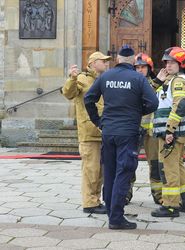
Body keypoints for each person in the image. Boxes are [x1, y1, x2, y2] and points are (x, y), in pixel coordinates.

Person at [84, 45, 158, 230]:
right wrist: (137, 112)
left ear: (117, 59)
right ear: (133, 61)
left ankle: (111, 212)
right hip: (128, 133)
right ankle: (116, 218)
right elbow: (153, 103)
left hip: (108, 131)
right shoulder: (138, 79)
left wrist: (98, 121)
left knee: (109, 172)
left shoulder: (105, 77)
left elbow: (88, 99)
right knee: (124, 172)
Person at [62, 51, 111, 214]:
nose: (106, 63)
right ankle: (89, 202)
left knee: (100, 171)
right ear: (93, 63)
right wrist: (72, 78)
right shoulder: (82, 79)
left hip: (104, 131)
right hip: (89, 133)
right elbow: (68, 93)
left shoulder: (104, 79)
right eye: (103, 61)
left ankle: (95, 200)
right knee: (91, 170)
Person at [150, 47, 185, 217]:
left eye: (172, 62)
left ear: (181, 64)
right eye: (166, 62)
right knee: (178, 166)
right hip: (173, 132)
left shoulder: (178, 81)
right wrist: (157, 80)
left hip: (171, 133)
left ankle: (170, 206)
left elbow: (180, 104)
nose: (168, 65)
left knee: (168, 169)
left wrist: (170, 129)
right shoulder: (171, 79)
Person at [134, 53, 162, 204]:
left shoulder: (159, 83)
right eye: (137, 67)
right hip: (134, 130)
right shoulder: (131, 83)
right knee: (129, 163)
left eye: (143, 67)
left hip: (152, 131)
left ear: (149, 68)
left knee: (155, 163)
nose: (140, 70)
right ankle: (125, 194)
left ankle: (158, 194)